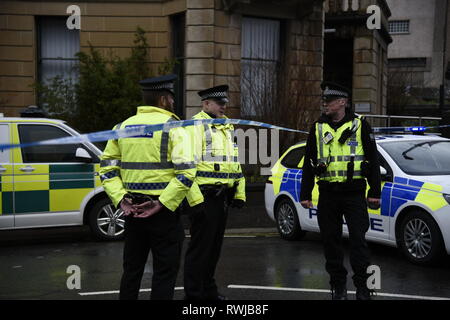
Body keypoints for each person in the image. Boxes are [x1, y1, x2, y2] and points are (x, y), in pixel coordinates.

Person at [99, 74, 203, 300]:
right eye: (172, 100)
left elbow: (106, 170)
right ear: (164, 100)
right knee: (164, 274)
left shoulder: (122, 127)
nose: (173, 104)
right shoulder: (173, 127)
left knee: (132, 271)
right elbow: (187, 172)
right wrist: (162, 203)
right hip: (162, 213)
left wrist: (120, 200)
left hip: (133, 210)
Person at [300, 82, 381, 300]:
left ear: (343, 102)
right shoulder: (317, 127)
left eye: (330, 100)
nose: (325, 103)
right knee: (330, 242)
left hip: (354, 194)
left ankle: (363, 287)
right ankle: (338, 287)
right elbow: (308, 163)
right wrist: (305, 194)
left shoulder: (361, 125)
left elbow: (373, 160)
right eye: (324, 100)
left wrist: (375, 191)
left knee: (358, 241)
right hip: (327, 194)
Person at [183, 84, 246, 301]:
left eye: (224, 104)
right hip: (204, 197)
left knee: (213, 250)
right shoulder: (195, 126)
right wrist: (195, 201)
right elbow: (185, 166)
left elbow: (234, 164)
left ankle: (208, 292)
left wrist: (239, 192)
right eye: (219, 104)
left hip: (222, 199)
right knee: (199, 250)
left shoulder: (225, 128)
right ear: (206, 103)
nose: (223, 107)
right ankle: (193, 296)